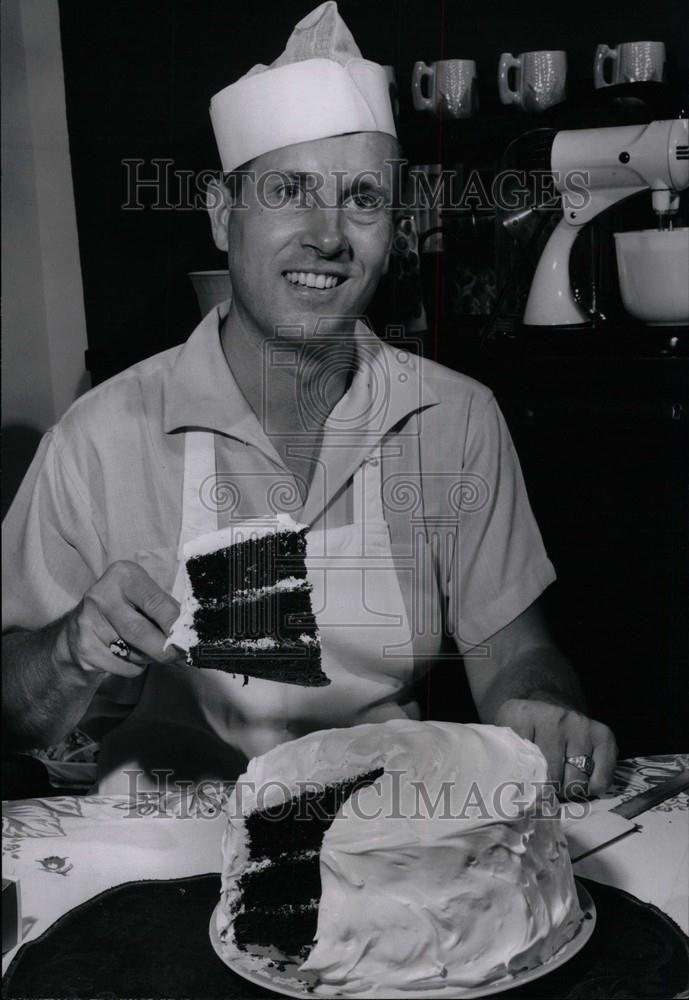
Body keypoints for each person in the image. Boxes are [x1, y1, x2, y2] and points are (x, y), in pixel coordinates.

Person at [2, 2, 616, 795]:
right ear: (224, 215)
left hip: (382, 846)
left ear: (392, 229)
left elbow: (514, 655)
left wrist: (540, 704)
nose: (328, 235)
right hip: (163, 857)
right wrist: (68, 649)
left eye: (361, 198)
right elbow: (10, 714)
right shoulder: (101, 436)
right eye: (290, 191)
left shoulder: (455, 420)